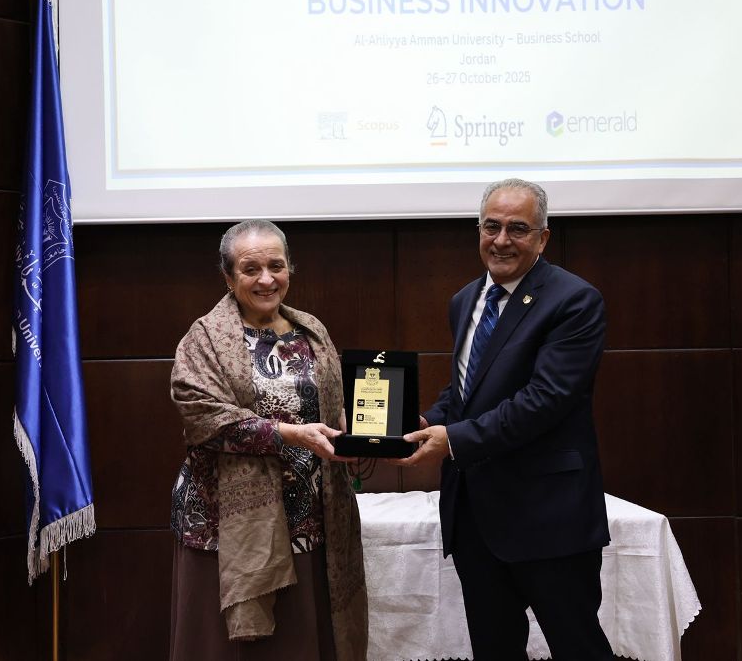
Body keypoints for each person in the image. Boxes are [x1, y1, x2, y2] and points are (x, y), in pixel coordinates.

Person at [393, 179, 614, 660]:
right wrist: (420, 424)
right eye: (491, 227)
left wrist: (453, 439)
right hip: (476, 519)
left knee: (579, 647)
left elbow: (545, 400)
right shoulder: (465, 300)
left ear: (543, 238)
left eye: (518, 229)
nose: (501, 240)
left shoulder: (574, 300)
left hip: (548, 517)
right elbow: (465, 392)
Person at [168, 219, 367, 661]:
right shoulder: (204, 339)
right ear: (228, 277)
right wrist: (289, 434)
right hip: (226, 528)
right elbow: (204, 417)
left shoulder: (311, 329)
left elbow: (333, 408)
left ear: (290, 268)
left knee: (300, 642)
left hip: (308, 523)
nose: (266, 279)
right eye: (250, 269)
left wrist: (373, 429)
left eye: (276, 266)